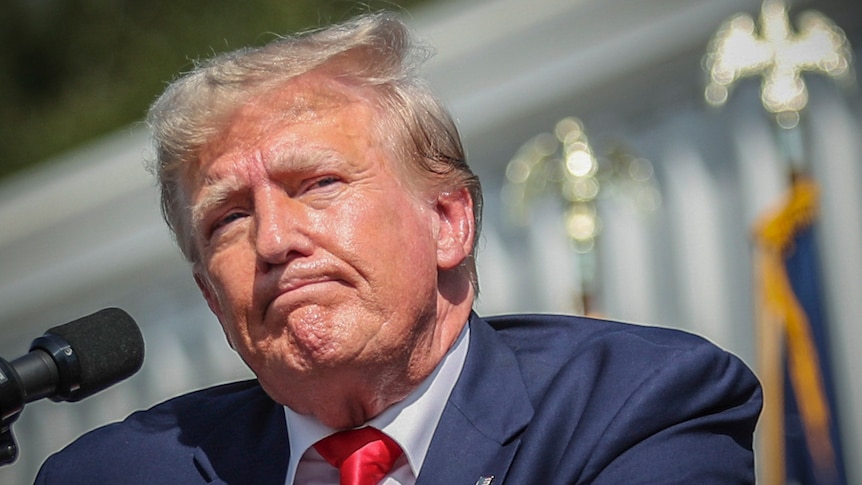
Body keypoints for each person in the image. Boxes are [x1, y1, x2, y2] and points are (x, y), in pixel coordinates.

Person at [35, 12, 761, 485]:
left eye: (317, 183)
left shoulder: (636, 408)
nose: (275, 240)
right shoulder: (113, 473)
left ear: (449, 221)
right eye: (228, 218)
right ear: (210, 300)